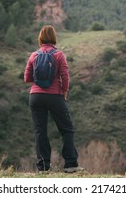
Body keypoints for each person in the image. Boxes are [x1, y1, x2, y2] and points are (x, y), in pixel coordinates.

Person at [24, 25, 83, 173]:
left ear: (40, 38)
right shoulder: (58, 55)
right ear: (54, 38)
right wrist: (64, 91)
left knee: (40, 131)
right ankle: (70, 164)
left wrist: (39, 82)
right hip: (55, 96)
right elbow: (65, 76)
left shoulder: (34, 55)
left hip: (35, 97)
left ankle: (43, 167)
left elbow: (27, 78)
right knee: (67, 129)